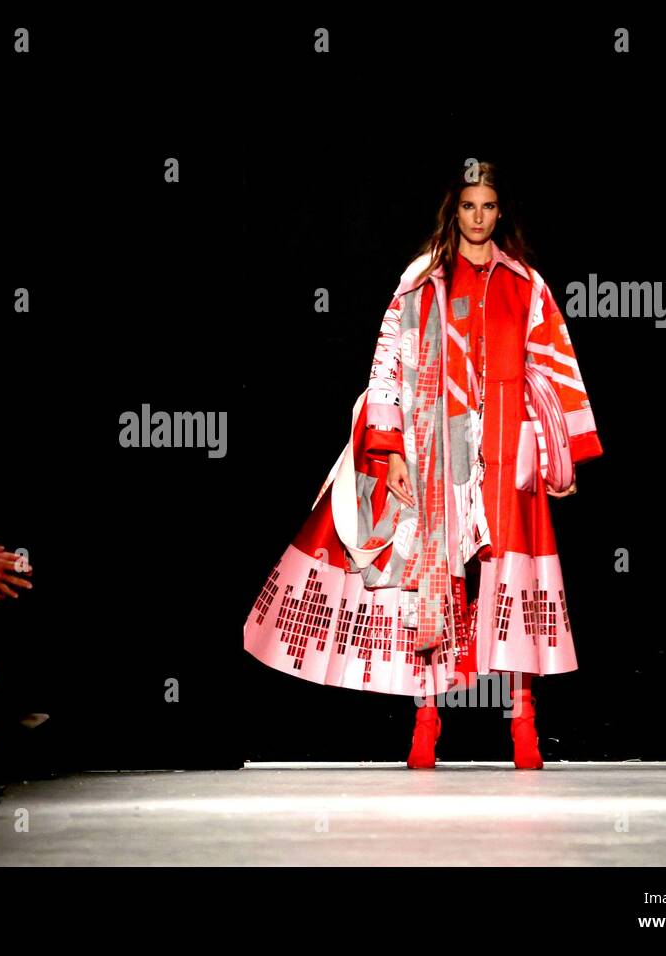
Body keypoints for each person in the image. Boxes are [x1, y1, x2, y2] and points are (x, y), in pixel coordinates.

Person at [243, 161, 603, 770]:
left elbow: (554, 363)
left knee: (509, 586)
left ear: (501, 211)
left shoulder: (527, 286)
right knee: (431, 582)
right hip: (438, 449)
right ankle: (426, 722)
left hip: (506, 451)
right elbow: (387, 362)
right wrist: (392, 450)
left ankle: (524, 727)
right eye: (469, 206)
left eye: (489, 207)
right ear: (453, 209)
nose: (479, 218)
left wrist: (555, 453)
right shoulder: (421, 281)